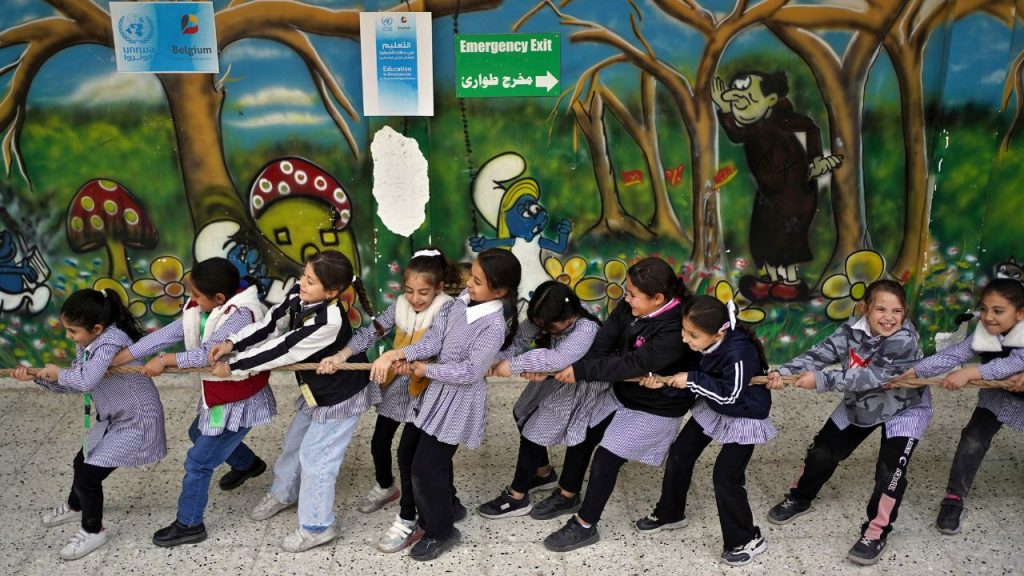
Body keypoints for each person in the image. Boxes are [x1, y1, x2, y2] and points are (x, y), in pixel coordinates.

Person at [207, 250, 375, 553]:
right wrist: (233, 343)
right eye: (303, 275)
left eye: (310, 281)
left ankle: (317, 526)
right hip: (316, 391)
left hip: (341, 396)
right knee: (295, 443)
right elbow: (272, 323)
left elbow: (283, 349)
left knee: (317, 458)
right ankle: (284, 493)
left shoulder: (329, 321)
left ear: (332, 292)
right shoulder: (301, 296)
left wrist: (233, 366)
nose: (301, 283)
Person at [111, 257, 275, 547]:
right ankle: (248, 465)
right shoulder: (203, 308)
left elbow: (208, 355)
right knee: (197, 433)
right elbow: (166, 335)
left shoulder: (241, 314)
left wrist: (164, 361)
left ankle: (189, 524)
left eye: (196, 295)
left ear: (220, 298)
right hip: (220, 396)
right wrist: (119, 360)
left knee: (198, 463)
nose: (192, 300)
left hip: (236, 400)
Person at [369, 248, 520, 561]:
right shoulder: (464, 300)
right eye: (472, 276)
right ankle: (446, 505)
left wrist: (427, 369)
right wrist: (399, 354)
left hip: (458, 401)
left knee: (425, 469)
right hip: (434, 394)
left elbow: (470, 372)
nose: (468, 284)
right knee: (408, 453)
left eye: (477, 281)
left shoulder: (492, 326)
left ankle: (440, 530)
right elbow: (433, 341)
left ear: (500, 292)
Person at [541, 257, 700, 552]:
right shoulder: (633, 305)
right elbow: (605, 340)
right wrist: (575, 367)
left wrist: (581, 371)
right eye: (627, 292)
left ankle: (585, 524)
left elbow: (633, 364)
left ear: (658, 299)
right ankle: (567, 494)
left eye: (632, 295)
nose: (626, 299)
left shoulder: (675, 328)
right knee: (583, 432)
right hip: (624, 393)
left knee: (606, 458)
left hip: (657, 405)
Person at [764, 279, 925, 566]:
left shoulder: (905, 340)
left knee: (890, 474)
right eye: (881, 309)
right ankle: (800, 497)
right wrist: (785, 373)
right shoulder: (850, 330)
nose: (889, 317)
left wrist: (821, 381)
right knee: (822, 451)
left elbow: (872, 378)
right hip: (859, 404)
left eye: (897, 311)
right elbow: (819, 354)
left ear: (905, 313)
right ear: (865, 308)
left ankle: (875, 532)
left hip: (904, 409)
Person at [319, 248, 457, 554]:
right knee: (379, 442)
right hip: (399, 384)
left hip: (428, 389)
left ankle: (418, 513)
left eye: (424, 292)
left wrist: (403, 356)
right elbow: (371, 332)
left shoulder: (448, 310)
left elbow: (436, 344)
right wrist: (341, 355)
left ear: (439, 288)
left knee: (411, 455)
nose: (416, 298)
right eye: (409, 291)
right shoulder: (400, 307)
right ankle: (386, 487)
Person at [13, 288, 166, 560]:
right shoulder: (88, 342)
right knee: (80, 461)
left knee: (88, 478)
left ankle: (93, 530)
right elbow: (75, 382)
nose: (69, 336)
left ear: (96, 328)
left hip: (136, 419)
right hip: (112, 416)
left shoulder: (109, 343)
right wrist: (38, 378)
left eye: (73, 331)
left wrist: (57, 373)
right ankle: (76, 507)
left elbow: (84, 381)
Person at [635, 296, 775, 566]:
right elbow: (695, 377)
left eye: (692, 335)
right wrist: (664, 384)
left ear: (719, 332)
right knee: (679, 454)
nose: (685, 339)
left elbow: (730, 396)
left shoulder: (739, 353)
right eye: (684, 331)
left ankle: (747, 538)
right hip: (714, 404)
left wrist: (692, 379)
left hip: (743, 414)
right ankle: (671, 512)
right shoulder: (707, 340)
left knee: (726, 477)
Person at [903, 278, 1024, 535]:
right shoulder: (983, 332)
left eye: (998, 311)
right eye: (984, 309)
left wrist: (970, 373)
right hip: (998, 396)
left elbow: (1012, 363)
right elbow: (952, 355)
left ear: (1021, 314)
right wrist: (912, 372)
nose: (988, 317)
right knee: (973, 438)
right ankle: (954, 497)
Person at [476, 280, 605, 519]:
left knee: (535, 431)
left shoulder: (585, 328)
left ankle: (518, 496)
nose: (542, 328)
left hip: (580, 384)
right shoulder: (546, 315)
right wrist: (494, 361)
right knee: (522, 411)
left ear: (569, 318)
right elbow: (519, 340)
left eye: (549, 326)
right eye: (538, 323)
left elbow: (557, 359)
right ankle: (543, 474)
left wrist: (513, 365)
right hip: (553, 376)